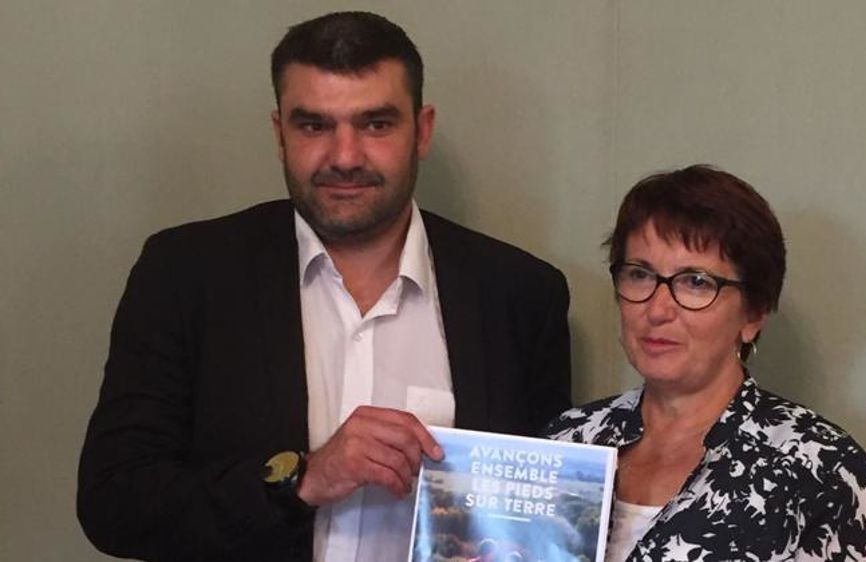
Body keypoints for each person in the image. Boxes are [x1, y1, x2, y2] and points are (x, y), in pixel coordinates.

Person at [78, 11, 571, 562]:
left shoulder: (519, 295)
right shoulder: (184, 273)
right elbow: (114, 503)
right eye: (314, 125)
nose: (344, 157)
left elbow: (542, 518)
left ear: (422, 130)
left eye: (376, 124)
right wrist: (303, 479)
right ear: (279, 133)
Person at [543, 165, 866, 561]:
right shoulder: (571, 439)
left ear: (753, 314)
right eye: (639, 274)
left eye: (696, 282)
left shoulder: (824, 469)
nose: (657, 308)